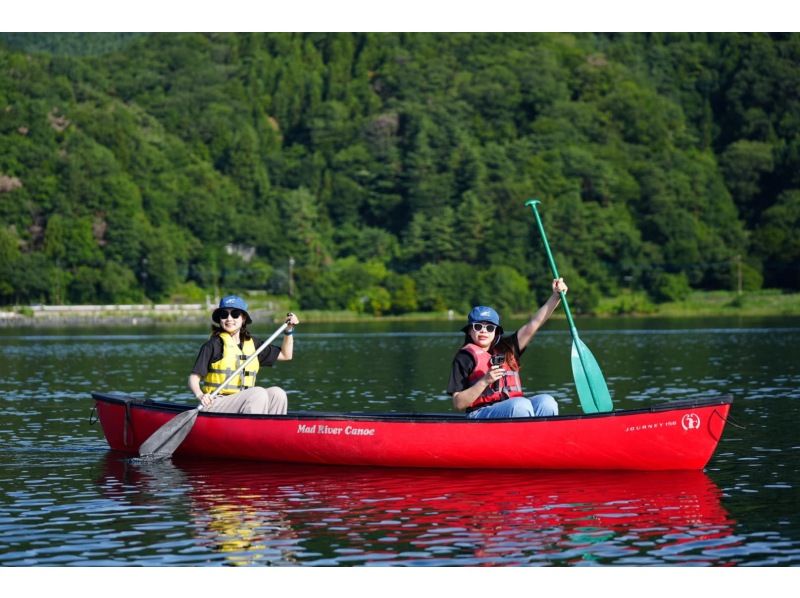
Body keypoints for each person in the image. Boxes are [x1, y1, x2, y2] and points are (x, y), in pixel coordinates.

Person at [447, 278, 568, 419]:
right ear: (469, 330)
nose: (483, 331)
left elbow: (534, 324)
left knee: (547, 402)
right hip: (480, 414)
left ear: (496, 331)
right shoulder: (464, 357)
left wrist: (556, 296)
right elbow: (458, 403)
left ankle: (542, 438)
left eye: (490, 327)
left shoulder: (508, 348)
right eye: (478, 327)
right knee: (520, 405)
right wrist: (485, 381)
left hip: (514, 407)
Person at [188, 295, 300, 415]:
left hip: (244, 400)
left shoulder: (254, 344)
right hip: (216, 402)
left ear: (244, 319)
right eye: (224, 315)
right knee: (258, 393)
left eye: (235, 314)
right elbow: (193, 378)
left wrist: (289, 330)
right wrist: (200, 395)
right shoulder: (212, 345)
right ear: (220, 319)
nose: (229, 319)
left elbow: (286, 355)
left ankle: (273, 429)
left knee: (278, 394)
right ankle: (254, 429)